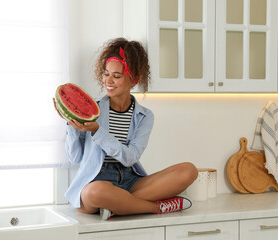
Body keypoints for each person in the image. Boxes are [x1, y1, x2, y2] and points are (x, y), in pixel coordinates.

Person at [53, 38, 198, 220]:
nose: (109, 81)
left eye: (117, 76)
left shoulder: (144, 116)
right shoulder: (93, 110)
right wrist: (71, 123)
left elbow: (130, 158)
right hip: (97, 180)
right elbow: (75, 158)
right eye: (106, 74)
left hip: (130, 179)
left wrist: (99, 132)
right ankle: (155, 208)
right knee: (95, 192)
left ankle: (117, 206)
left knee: (189, 170)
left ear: (133, 80)